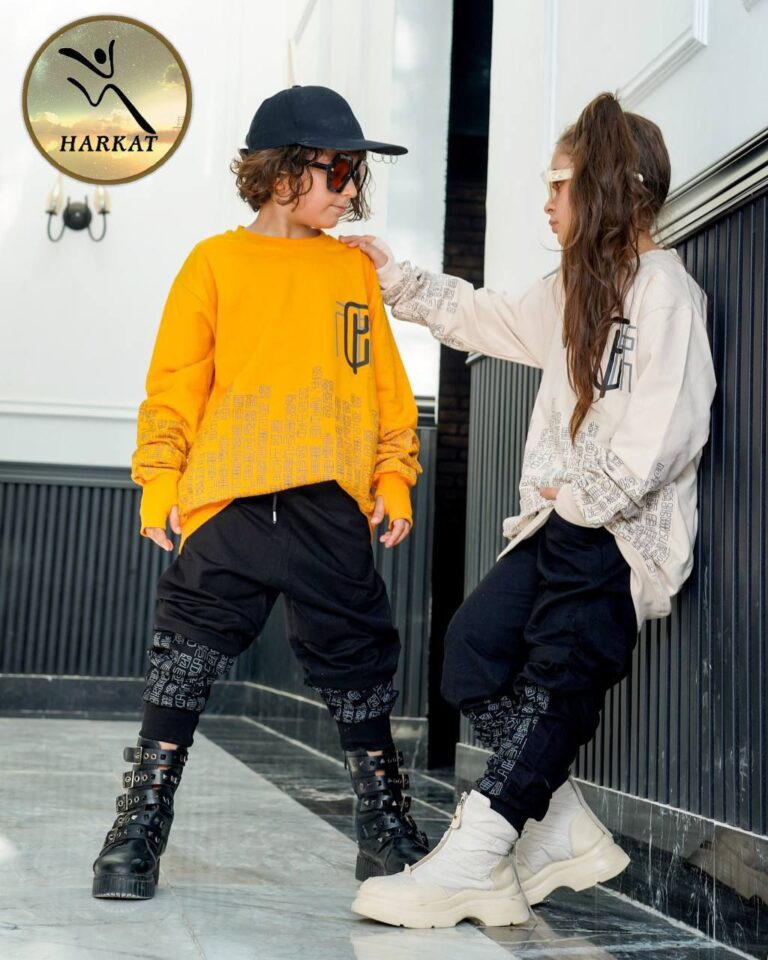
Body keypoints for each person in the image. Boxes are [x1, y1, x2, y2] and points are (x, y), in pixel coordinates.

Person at [341, 91, 717, 928]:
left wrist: (581, 502)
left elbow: (665, 430)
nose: (546, 202)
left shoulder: (667, 292)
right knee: (472, 650)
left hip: (617, 537)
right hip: (558, 527)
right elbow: (486, 317)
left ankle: (476, 860)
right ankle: (557, 823)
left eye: (559, 184)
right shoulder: (573, 291)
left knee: (557, 678)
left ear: (608, 186)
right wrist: (395, 278)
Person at [91, 84, 429, 900]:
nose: (351, 187)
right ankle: (140, 822)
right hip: (231, 500)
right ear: (282, 176)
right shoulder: (214, 263)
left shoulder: (352, 271)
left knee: (358, 656)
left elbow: (385, 390)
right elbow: (175, 386)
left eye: (356, 173)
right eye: (338, 169)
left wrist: (393, 474)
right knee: (185, 653)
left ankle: (383, 826)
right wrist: (159, 480)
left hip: (329, 502)